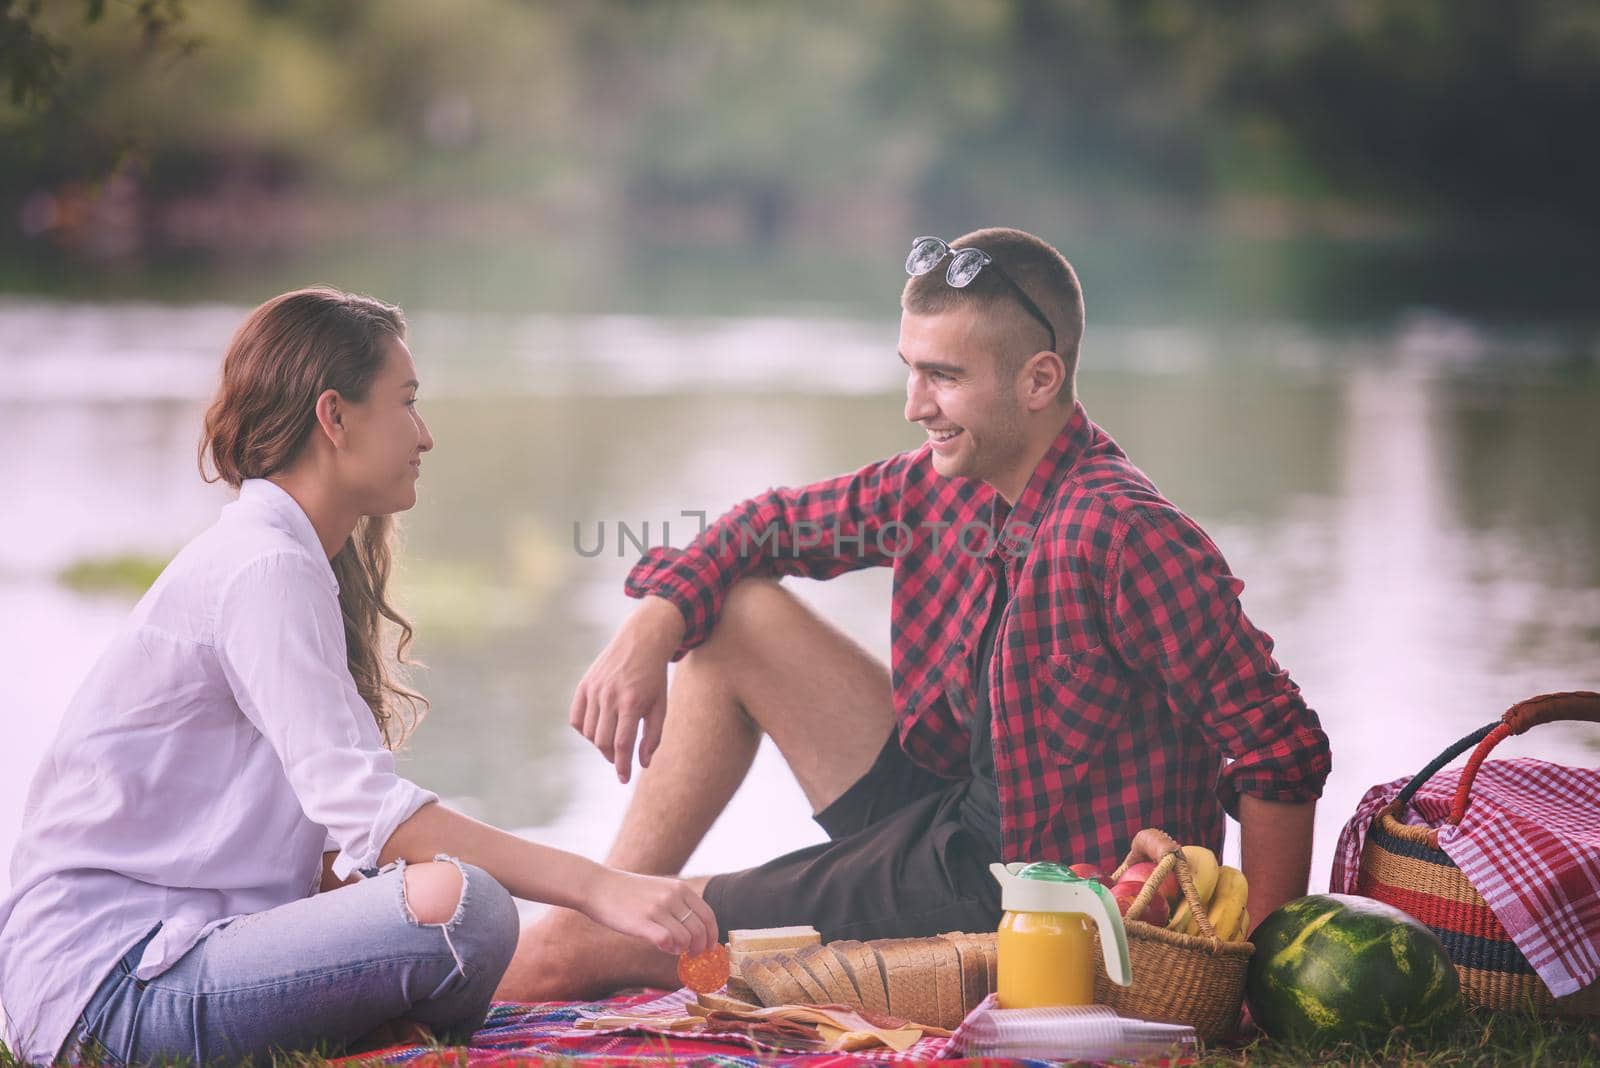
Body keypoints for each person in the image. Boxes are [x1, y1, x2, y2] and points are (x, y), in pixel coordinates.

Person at [497, 228, 1332, 1001]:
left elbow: (1279, 748)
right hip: (943, 805)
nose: (914, 404)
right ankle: (610, 905)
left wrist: (1250, 976)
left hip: (1027, 893)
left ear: (1040, 379)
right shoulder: (939, 484)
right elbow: (768, 524)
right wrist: (656, 619)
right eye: (911, 367)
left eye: (944, 377)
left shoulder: (1119, 533)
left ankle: (582, 942)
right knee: (734, 612)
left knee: (558, 957)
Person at [0, 287, 717, 1065]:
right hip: (113, 992)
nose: (426, 435)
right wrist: (600, 887)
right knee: (464, 908)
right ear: (334, 418)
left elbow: (324, 854)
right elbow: (381, 819)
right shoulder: (263, 565)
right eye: (405, 403)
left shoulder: (288, 559)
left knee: (447, 902)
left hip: (169, 966)